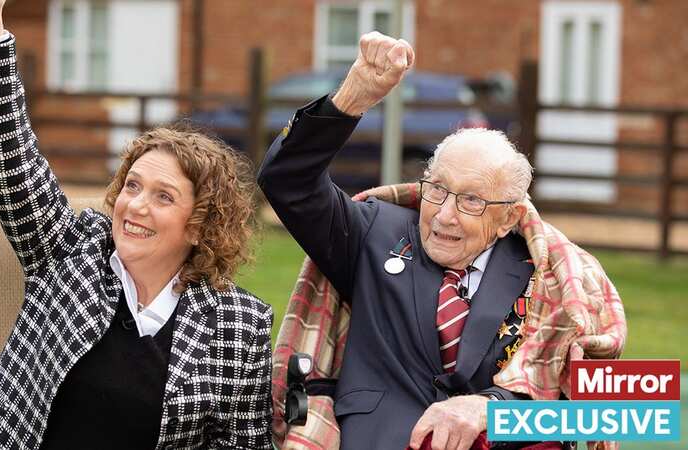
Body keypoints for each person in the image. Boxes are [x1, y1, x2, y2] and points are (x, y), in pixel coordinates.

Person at [259, 32, 625, 450]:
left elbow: (623, 414)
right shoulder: (374, 233)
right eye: (437, 190)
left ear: (508, 217)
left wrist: (495, 411)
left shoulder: (554, 275)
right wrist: (353, 96)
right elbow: (286, 181)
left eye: (471, 200)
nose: (444, 215)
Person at [0, 1, 272, 449]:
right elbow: (10, 158)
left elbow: (241, 445)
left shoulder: (239, 326)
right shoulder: (69, 253)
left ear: (201, 226)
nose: (136, 206)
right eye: (132, 186)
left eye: (163, 197)